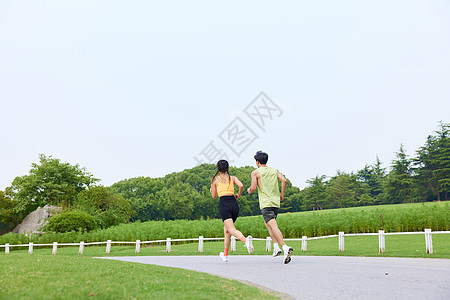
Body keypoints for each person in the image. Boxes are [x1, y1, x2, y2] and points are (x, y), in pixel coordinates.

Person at [247, 151, 293, 264]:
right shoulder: (274, 171)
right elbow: (284, 180)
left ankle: (285, 247)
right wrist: (282, 194)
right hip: (275, 202)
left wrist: (249, 190)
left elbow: (253, 188)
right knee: (268, 224)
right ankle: (276, 247)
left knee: (273, 225)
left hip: (266, 203)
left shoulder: (255, 173)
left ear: (257, 162)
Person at [211, 159, 254, 262]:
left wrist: (212, 188)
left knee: (231, 229)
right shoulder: (233, 178)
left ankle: (245, 241)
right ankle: (225, 255)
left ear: (218, 168)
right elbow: (241, 185)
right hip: (234, 204)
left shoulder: (215, 180)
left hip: (224, 204)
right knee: (227, 230)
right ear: (227, 168)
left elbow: (213, 196)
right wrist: (238, 195)